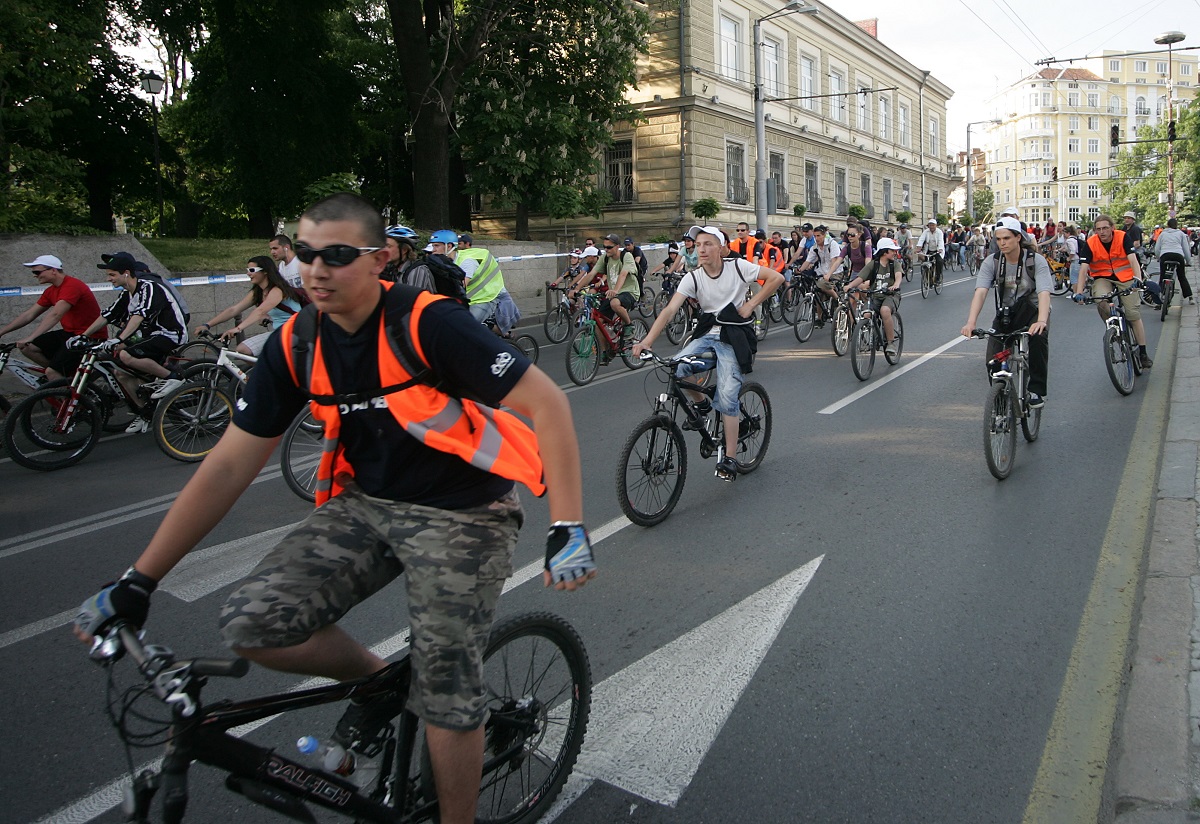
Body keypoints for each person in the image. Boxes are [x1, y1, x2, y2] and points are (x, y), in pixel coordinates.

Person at [73, 192, 595, 824]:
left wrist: (567, 525)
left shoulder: (430, 322)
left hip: (463, 513)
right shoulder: (295, 342)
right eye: (308, 254)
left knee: (447, 696)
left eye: (338, 255)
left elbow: (548, 405)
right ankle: (382, 685)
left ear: (379, 260)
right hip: (369, 504)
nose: (317, 269)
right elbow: (229, 465)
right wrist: (140, 579)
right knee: (251, 622)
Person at [633, 225, 783, 482]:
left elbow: (776, 278)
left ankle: (731, 458)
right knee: (678, 368)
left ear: (722, 247)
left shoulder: (737, 267)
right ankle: (701, 405)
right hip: (707, 333)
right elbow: (669, 311)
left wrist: (749, 305)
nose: (701, 249)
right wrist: (647, 340)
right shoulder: (693, 277)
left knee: (727, 396)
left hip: (734, 336)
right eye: (698, 244)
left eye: (708, 244)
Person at [71, 252, 189, 432]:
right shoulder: (127, 293)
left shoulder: (149, 287)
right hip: (148, 335)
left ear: (126, 273)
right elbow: (107, 315)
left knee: (125, 353)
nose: (109, 279)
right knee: (120, 373)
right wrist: (84, 335)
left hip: (169, 333)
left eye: (112, 275)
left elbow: (138, 316)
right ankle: (146, 412)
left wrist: (119, 338)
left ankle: (172, 378)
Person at [961, 216, 1052, 407]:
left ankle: (1036, 391)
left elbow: (1044, 293)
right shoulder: (992, 262)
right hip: (1008, 312)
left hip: (1034, 310)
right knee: (992, 361)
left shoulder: (1035, 261)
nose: (1002, 243)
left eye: (1007, 238)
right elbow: (981, 293)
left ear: (1018, 237)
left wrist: (1042, 320)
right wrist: (971, 322)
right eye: (999, 239)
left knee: (1038, 339)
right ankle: (1001, 402)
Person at [0, 254, 106, 380]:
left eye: (37, 272)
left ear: (53, 270)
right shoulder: (51, 291)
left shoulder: (72, 286)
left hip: (89, 337)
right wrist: (2, 332)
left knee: (51, 372)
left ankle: (67, 393)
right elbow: (29, 314)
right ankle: (65, 379)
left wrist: (31, 336)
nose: (35, 275)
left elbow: (56, 314)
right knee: (28, 348)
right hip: (69, 334)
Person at [1073, 213, 1153, 369]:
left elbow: (1132, 259)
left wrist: (1137, 279)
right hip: (1103, 277)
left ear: (1112, 228)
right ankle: (1113, 329)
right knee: (1100, 299)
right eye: (1098, 229)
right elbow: (1083, 269)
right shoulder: (1091, 243)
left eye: (1105, 228)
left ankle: (1143, 353)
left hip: (1126, 277)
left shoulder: (1122, 237)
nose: (1102, 232)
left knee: (1132, 314)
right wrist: (1079, 292)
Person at [190, 256, 302, 360]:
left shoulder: (277, 290)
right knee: (243, 350)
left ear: (265, 271)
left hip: (297, 332)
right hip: (280, 332)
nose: (248, 273)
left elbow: (260, 311)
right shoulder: (258, 292)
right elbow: (234, 310)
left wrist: (238, 329)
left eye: (252, 270)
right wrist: (207, 325)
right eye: (247, 270)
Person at [843, 237, 903, 357]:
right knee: (866, 314)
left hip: (890, 295)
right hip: (875, 295)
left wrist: (896, 285)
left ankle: (890, 343)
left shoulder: (894, 264)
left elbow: (898, 276)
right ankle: (872, 335)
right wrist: (849, 286)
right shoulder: (873, 264)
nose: (895, 253)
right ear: (885, 252)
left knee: (885, 311)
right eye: (892, 250)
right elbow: (861, 277)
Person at [567, 234, 638, 328]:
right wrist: (576, 289)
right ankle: (605, 342)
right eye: (604, 247)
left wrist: (615, 290)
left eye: (609, 247)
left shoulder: (626, 256)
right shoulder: (605, 258)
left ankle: (629, 326)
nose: (606, 249)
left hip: (629, 291)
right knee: (598, 325)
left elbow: (623, 274)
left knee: (614, 303)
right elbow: (591, 274)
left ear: (617, 247)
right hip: (612, 294)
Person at [453, 233, 507, 324]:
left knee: (470, 325)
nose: (457, 247)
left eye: (460, 244)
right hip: (472, 298)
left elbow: (462, 285)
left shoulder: (468, 260)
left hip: (485, 297)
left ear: (467, 244)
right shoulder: (460, 257)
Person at [795, 225, 845, 306]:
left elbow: (834, 261)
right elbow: (808, 261)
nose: (816, 238)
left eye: (819, 236)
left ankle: (838, 300)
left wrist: (829, 274)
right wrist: (800, 270)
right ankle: (820, 317)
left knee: (822, 284)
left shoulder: (832, 244)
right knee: (818, 296)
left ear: (824, 235)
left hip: (835, 272)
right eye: (815, 236)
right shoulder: (815, 247)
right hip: (821, 272)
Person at [1156, 218, 1194, 303]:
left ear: (1167, 225)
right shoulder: (1181, 234)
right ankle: (1190, 297)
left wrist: (1159, 258)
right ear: (1177, 226)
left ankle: (1159, 298)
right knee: (1181, 276)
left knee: (1163, 276)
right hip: (1178, 255)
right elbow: (1186, 249)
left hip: (1165, 255)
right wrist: (1188, 261)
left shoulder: (1162, 234)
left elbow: (1157, 248)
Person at [917, 218, 945, 284]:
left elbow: (941, 241)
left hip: (937, 250)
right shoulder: (926, 231)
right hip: (928, 250)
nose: (931, 227)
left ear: (936, 225)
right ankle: (929, 279)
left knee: (939, 261)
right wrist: (918, 247)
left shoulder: (939, 232)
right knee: (926, 264)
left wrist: (940, 249)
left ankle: (938, 277)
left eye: (933, 225)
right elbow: (921, 239)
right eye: (930, 225)